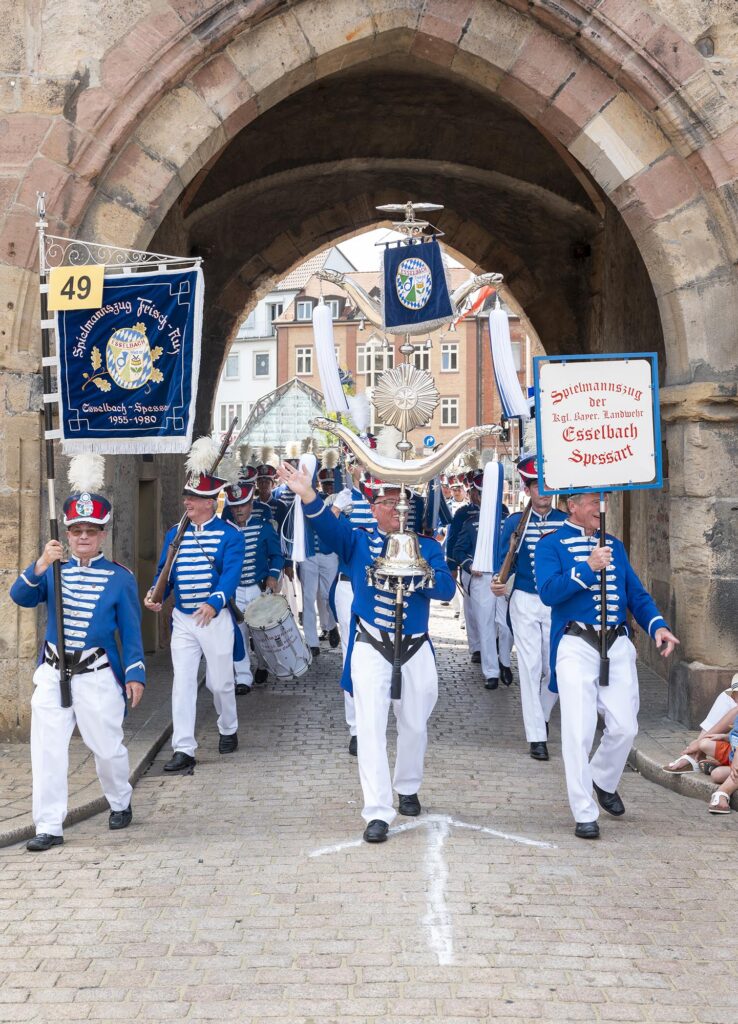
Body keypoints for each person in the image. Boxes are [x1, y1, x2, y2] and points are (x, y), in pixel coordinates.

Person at [277, 462, 455, 844]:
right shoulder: (358, 541)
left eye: (402, 503)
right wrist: (307, 493)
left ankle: (407, 785)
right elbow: (327, 527)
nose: (396, 510)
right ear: (373, 508)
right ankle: (377, 809)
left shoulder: (427, 547)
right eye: (388, 502)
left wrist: (418, 572)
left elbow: (446, 590)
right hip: (372, 643)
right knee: (371, 727)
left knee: (415, 724)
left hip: (415, 645)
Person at [10, 463, 145, 851]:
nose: (83, 537)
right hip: (53, 672)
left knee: (107, 749)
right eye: (76, 531)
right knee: (47, 751)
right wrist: (39, 564)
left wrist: (135, 674)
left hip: (97, 675)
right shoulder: (53, 570)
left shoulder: (120, 578)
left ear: (102, 534)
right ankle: (49, 826)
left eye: (91, 531)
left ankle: (119, 799)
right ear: (67, 534)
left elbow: (131, 633)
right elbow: (20, 598)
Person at [535, 491, 679, 839]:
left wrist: (658, 625)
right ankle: (584, 812)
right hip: (576, 643)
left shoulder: (614, 543)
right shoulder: (550, 544)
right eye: (592, 501)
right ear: (573, 506)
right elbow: (549, 593)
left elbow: (636, 593)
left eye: (604, 500)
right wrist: (588, 568)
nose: (602, 507)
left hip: (616, 644)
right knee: (578, 731)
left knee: (625, 727)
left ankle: (601, 777)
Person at [145, 471, 244, 771]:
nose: (186, 501)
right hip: (184, 619)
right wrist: (157, 591)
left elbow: (230, 576)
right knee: (183, 682)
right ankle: (184, 748)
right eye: (187, 496)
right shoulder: (175, 533)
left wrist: (215, 602)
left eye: (193, 497)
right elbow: (165, 570)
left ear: (210, 503)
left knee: (221, 683)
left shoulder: (230, 535)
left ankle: (228, 727)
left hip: (214, 619)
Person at [492, 454, 567, 760]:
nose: (543, 492)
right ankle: (536, 735)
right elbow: (503, 563)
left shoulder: (565, 522)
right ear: (528, 490)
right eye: (537, 487)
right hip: (523, 598)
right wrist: (499, 581)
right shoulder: (514, 523)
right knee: (530, 666)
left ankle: (543, 714)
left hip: (556, 602)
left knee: (556, 668)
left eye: (547, 486)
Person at [224, 479, 284, 694]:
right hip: (234, 591)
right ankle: (243, 678)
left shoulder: (264, 529)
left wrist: (273, 575)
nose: (239, 510)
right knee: (237, 635)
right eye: (235, 506)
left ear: (251, 505)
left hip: (258, 588)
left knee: (260, 634)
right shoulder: (225, 530)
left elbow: (277, 556)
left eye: (243, 505)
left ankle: (262, 664)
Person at [298, 467, 340, 655]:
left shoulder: (337, 501)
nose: (329, 488)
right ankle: (311, 641)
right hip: (309, 554)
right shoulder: (304, 500)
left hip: (329, 553)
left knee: (328, 595)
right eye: (325, 484)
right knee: (308, 597)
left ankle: (331, 625)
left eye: (331, 484)